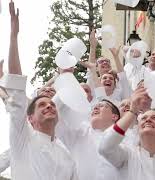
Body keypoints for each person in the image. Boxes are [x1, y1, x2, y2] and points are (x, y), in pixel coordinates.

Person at [2, 2, 78, 179]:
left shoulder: (66, 155)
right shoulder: (23, 138)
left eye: (51, 104)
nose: (50, 106)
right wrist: (14, 36)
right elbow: (16, 86)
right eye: (42, 105)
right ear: (29, 118)